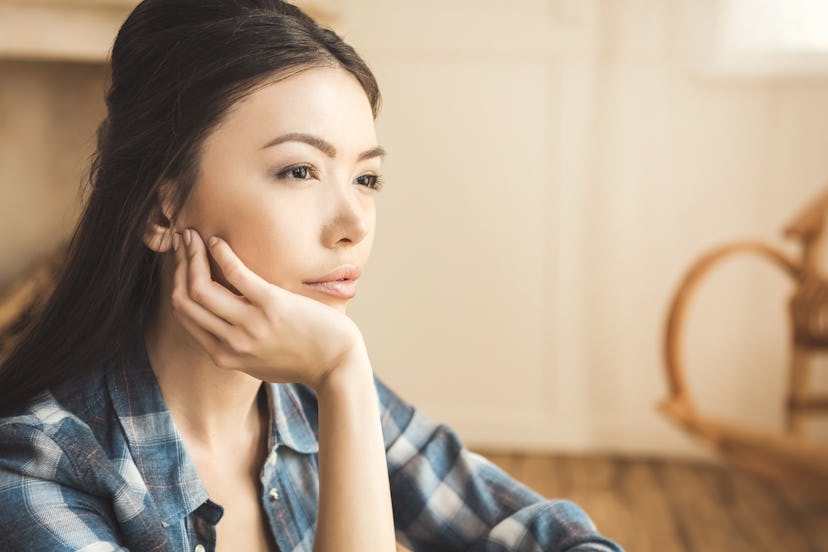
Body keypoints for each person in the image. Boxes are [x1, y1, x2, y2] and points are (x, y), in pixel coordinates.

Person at [0, 1, 623, 551]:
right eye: (299, 171)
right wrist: (341, 375)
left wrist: (343, 380)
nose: (353, 223)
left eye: (366, 178)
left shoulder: (314, 394)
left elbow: (553, 537)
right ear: (162, 209)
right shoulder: (39, 470)